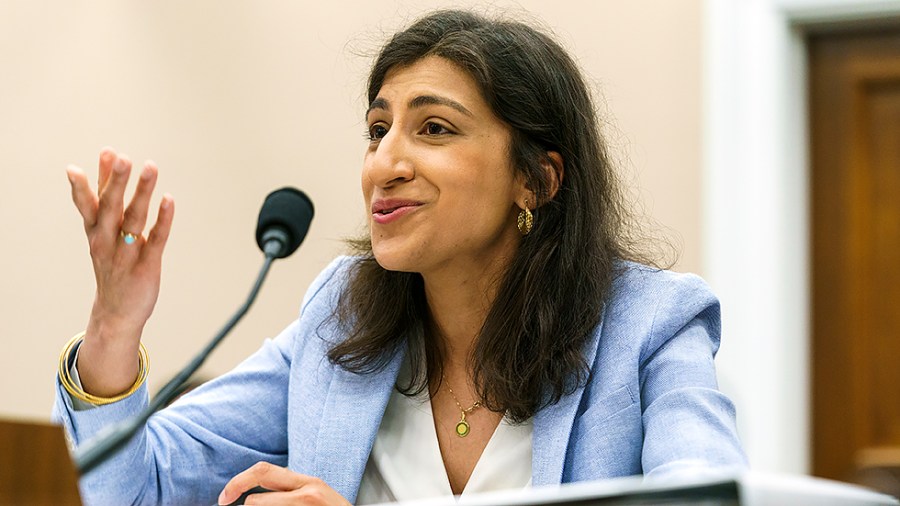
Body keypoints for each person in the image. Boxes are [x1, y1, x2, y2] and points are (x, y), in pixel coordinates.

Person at [54, 9, 747, 506]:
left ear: (535, 179)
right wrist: (115, 332)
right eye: (378, 129)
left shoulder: (652, 325)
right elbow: (134, 487)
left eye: (434, 128)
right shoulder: (340, 318)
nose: (384, 164)